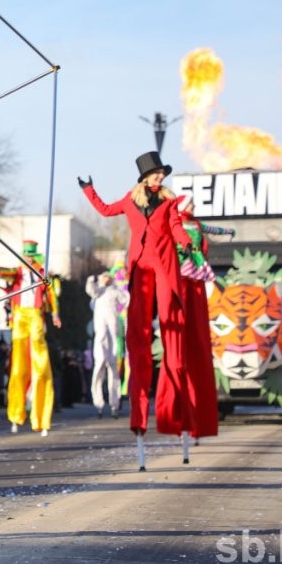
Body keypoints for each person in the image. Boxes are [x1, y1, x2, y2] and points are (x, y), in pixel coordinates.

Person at [79, 151, 196, 448]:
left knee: (171, 327)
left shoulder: (169, 200)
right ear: (145, 176)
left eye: (162, 173)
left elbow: (175, 226)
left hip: (164, 266)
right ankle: (139, 413)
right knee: (139, 336)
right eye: (156, 173)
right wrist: (89, 190)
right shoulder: (130, 200)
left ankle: (175, 404)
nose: (160, 177)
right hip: (141, 268)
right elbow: (105, 211)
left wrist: (186, 244)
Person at [0, 241, 61, 436]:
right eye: (24, 256)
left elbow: (51, 294)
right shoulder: (18, 272)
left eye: (29, 256)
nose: (26, 259)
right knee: (18, 370)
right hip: (19, 318)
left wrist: (55, 314)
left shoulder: (43, 273)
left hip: (35, 317)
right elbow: (6, 273)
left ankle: (41, 418)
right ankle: (16, 415)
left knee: (41, 368)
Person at [175, 193, 229, 440]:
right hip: (183, 273)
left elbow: (210, 228)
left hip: (198, 274)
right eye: (191, 203)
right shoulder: (176, 222)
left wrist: (227, 231)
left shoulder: (195, 224)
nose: (194, 207)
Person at [85, 270, 128, 418]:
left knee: (114, 374)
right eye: (105, 278)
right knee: (98, 371)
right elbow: (91, 289)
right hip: (100, 340)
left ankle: (114, 404)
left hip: (113, 340)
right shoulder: (98, 292)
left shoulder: (114, 291)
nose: (107, 280)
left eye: (108, 277)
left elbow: (126, 299)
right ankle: (98, 403)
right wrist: (93, 279)